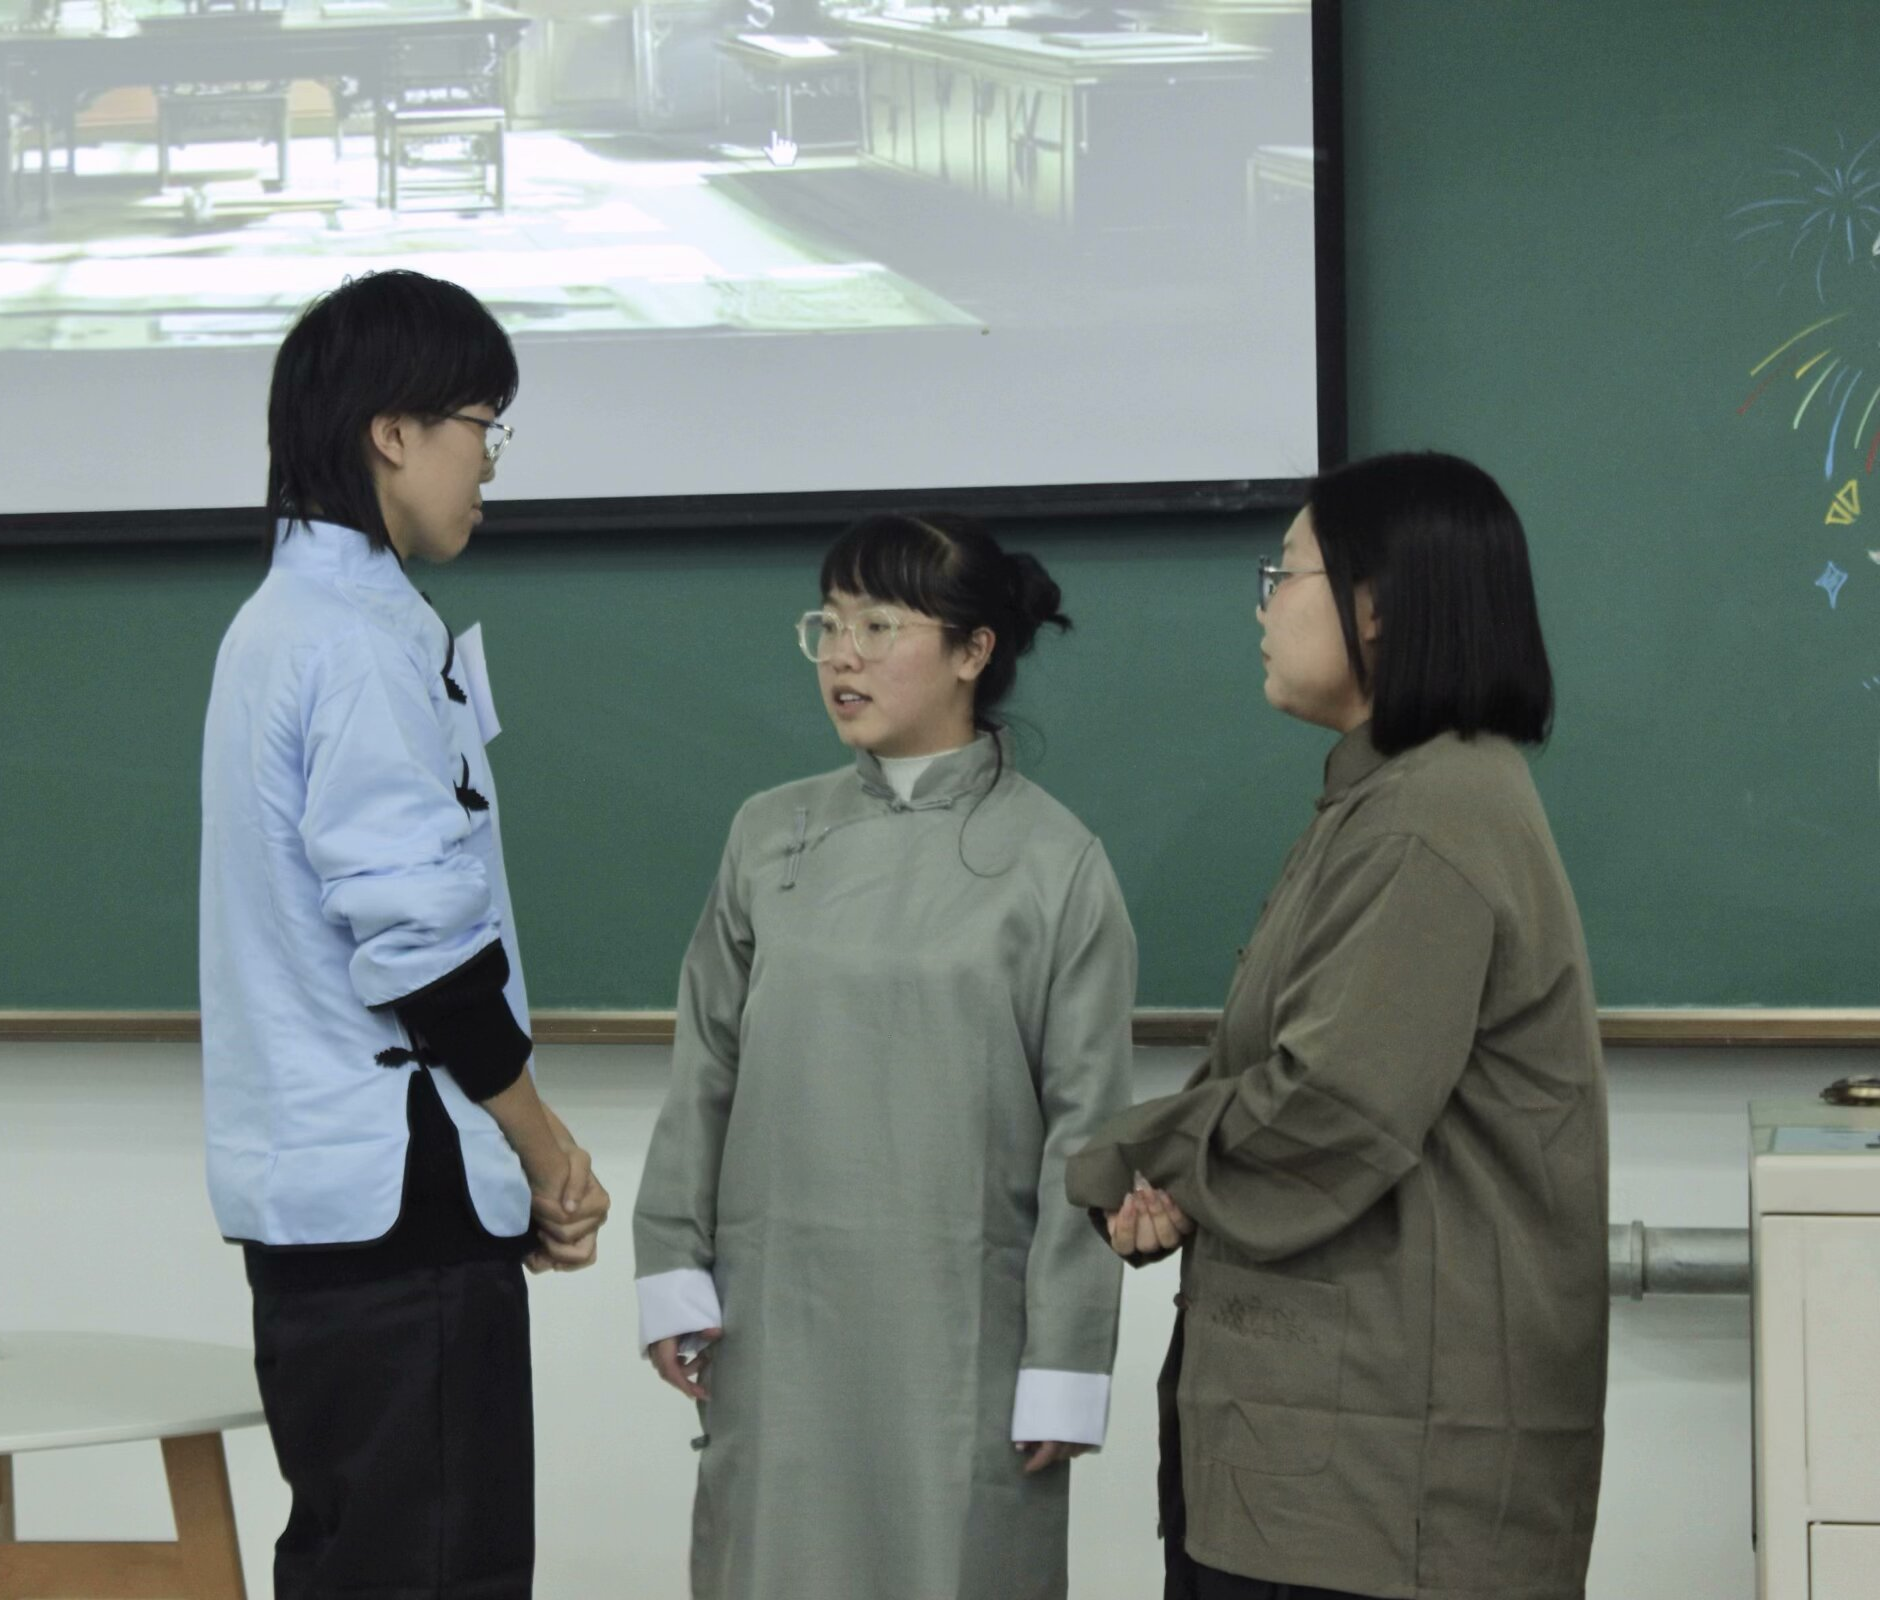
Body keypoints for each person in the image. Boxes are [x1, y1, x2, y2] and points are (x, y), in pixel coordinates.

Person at [1067, 451, 1609, 1600]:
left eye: (1286, 574)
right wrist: (1174, 1178)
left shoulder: (1429, 814)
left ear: (1378, 601)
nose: (1264, 606)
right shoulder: (1382, 796)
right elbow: (1283, 1073)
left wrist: (1131, 1158)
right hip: (1322, 1460)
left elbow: (1329, 1101)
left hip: (1377, 1486)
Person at [633, 511, 1137, 1600]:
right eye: (827, 624)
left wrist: (1065, 1354)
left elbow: (1089, 1133)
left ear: (972, 650)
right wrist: (672, 1262)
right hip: (778, 1320)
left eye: (878, 625)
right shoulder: (769, 836)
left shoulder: (1056, 862)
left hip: (962, 1336)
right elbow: (705, 1065)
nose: (842, 656)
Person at [199, 269, 611, 1600]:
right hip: (401, 1206)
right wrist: (542, 1148)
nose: (489, 462)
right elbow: (423, 945)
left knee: (356, 1564)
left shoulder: (276, 625)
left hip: (326, 1211)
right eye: (482, 425)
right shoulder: (357, 640)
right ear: (392, 432)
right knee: (436, 1574)